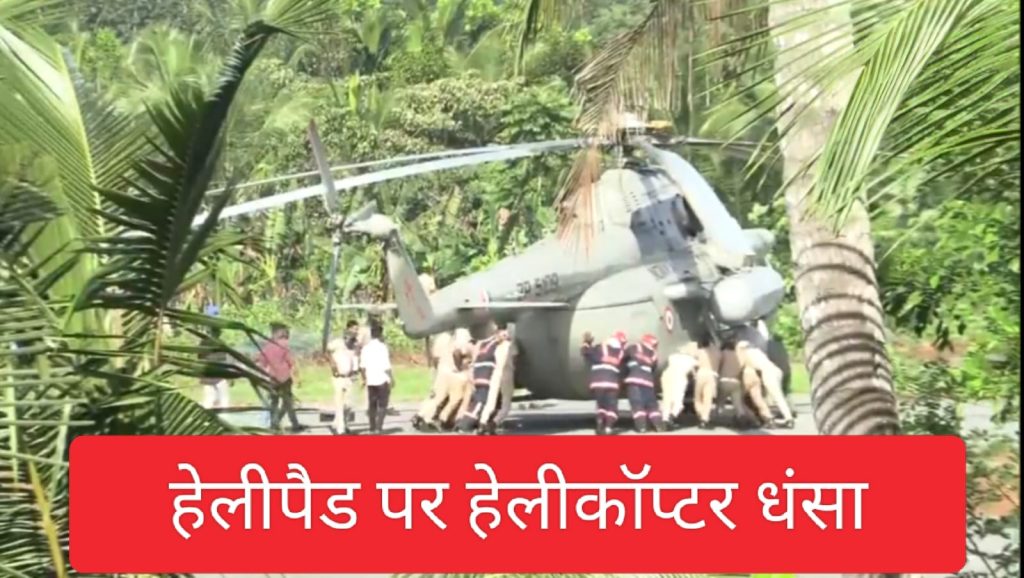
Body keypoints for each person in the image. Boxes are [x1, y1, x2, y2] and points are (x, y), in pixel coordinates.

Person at [454, 324, 508, 434]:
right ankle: (465, 424)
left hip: (478, 375)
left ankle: (481, 424)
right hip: (486, 376)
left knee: (479, 400)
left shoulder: (482, 343)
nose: (505, 334)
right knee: (480, 402)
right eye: (503, 332)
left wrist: (471, 372)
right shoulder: (495, 343)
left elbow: (474, 360)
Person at [255, 323, 303, 433]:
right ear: (278, 333)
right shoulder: (284, 345)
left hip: (273, 378)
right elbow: (291, 362)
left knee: (274, 402)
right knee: (288, 402)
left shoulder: (266, 347)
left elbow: (262, 363)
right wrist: (297, 377)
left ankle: (274, 424)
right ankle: (294, 424)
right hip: (285, 377)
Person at [581, 330, 628, 435]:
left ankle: (599, 424)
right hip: (612, 384)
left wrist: (586, 343)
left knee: (601, 406)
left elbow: (586, 352)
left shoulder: (599, 348)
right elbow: (623, 370)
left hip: (597, 383)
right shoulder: (621, 353)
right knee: (612, 408)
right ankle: (608, 428)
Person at [623, 333, 664, 432]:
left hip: (634, 381)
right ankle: (659, 426)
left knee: (637, 404)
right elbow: (653, 368)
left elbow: (622, 358)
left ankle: (641, 427)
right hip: (648, 382)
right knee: (652, 405)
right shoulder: (653, 354)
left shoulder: (633, 347)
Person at [326, 320, 361, 434]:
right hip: (339, 377)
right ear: (348, 329)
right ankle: (341, 430)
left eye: (357, 329)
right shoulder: (338, 343)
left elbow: (356, 358)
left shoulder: (355, 344)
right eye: (354, 329)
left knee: (349, 404)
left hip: (350, 377)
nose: (356, 331)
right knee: (339, 403)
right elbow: (327, 351)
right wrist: (332, 364)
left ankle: (340, 423)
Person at [359, 322, 394, 434]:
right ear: (380, 334)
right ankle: (379, 427)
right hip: (382, 379)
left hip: (371, 380)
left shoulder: (365, 348)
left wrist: (364, 378)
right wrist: (392, 378)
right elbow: (386, 365)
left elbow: (362, 366)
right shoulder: (382, 347)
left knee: (372, 405)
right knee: (383, 404)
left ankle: (372, 427)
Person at [198, 326, 230, 410]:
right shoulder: (221, 343)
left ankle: (206, 415)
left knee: (208, 399)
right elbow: (225, 359)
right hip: (219, 374)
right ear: (218, 333)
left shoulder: (203, 343)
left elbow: (200, 357)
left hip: (207, 374)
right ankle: (225, 414)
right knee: (224, 399)